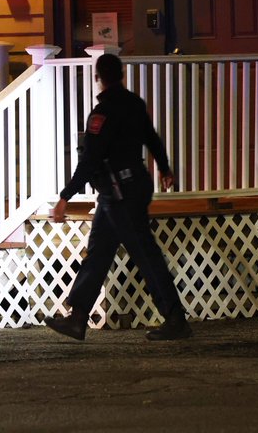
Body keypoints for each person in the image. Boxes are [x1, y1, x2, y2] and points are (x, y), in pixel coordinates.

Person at [45, 52, 192, 342]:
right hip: (124, 190)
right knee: (98, 253)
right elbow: (151, 137)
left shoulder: (103, 112)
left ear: (98, 78)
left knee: (145, 254)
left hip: (120, 193)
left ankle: (175, 318)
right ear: (121, 75)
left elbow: (91, 158)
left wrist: (65, 197)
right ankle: (78, 319)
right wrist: (164, 167)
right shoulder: (134, 104)